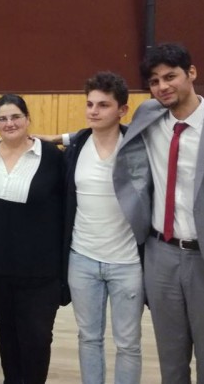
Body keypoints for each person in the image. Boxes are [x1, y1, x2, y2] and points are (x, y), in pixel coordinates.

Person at [113, 43, 204, 383]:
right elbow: (108, 128)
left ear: (191, 73)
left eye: (170, 77)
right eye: (154, 81)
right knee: (171, 363)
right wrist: (58, 138)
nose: (162, 86)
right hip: (160, 256)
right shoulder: (148, 115)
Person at [0, 94, 65, 384]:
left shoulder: (51, 156)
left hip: (40, 270)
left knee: (37, 335)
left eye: (16, 117)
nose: (9, 123)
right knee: (8, 328)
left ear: (27, 119)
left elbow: (66, 210)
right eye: (2, 118)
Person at [64, 73, 144, 384]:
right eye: (90, 104)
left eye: (103, 105)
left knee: (128, 343)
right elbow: (67, 138)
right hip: (82, 259)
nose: (94, 111)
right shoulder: (78, 145)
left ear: (122, 110)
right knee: (88, 337)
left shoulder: (136, 146)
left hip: (127, 262)